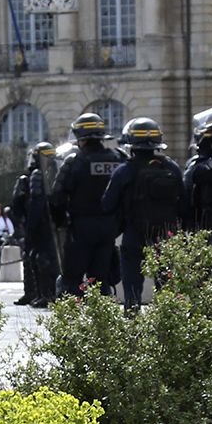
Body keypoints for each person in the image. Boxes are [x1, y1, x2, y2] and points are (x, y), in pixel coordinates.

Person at [101, 117, 182, 309]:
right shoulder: (172, 168)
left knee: (132, 281)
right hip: (165, 233)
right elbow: (184, 202)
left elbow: (107, 204)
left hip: (134, 232)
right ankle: (167, 320)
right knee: (165, 280)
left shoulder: (124, 171)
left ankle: (133, 318)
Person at [51, 112, 126, 299]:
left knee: (72, 278)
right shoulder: (118, 159)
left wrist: (61, 222)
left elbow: (57, 196)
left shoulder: (74, 161)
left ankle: (74, 321)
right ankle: (101, 320)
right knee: (101, 278)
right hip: (109, 227)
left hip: (81, 227)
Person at [9, 142, 61, 308]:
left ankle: (44, 294)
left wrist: (28, 227)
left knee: (41, 260)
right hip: (48, 224)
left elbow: (33, 205)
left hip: (39, 226)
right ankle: (37, 293)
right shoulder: (54, 174)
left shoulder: (39, 175)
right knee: (34, 259)